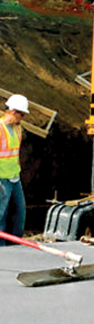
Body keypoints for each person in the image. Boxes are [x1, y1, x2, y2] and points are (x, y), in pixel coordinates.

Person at [0, 94, 28, 245]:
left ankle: (15, 247)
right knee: (0, 216)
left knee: (18, 214)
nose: (22, 118)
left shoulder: (18, 129)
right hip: (1, 179)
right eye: (21, 114)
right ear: (12, 111)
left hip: (14, 177)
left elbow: (15, 153)